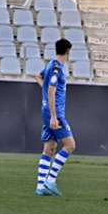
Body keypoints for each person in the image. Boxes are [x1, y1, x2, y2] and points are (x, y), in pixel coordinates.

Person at [34, 39, 75, 197]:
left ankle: (40, 186)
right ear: (68, 51)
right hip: (55, 112)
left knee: (49, 148)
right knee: (70, 145)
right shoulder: (57, 68)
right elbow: (51, 90)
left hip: (47, 110)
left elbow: (37, 76)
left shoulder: (51, 64)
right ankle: (50, 180)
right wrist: (53, 116)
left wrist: (45, 92)